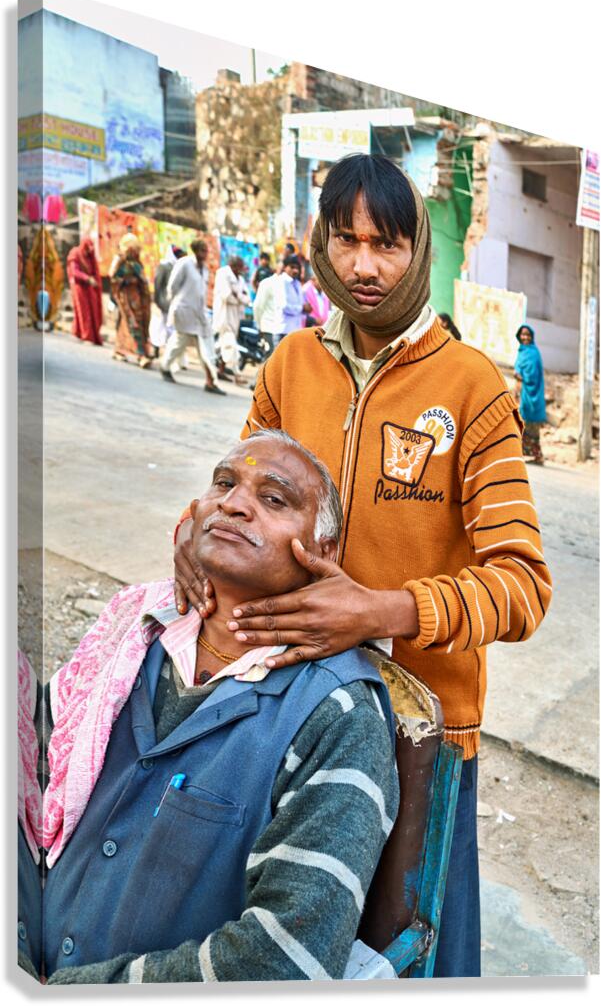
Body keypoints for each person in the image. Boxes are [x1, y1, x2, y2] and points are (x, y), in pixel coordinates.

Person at [174, 153, 552, 979]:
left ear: (418, 250)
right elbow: (238, 483)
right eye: (346, 241)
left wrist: (378, 611)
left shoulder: (471, 389)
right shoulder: (289, 367)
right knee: (275, 937)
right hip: (278, 705)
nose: (364, 267)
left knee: (402, 952)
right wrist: (194, 528)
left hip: (418, 734)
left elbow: (522, 585)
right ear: (322, 243)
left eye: (386, 244)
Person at [38, 430, 398, 984]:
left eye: (273, 499)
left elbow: (284, 962)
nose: (233, 503)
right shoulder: (132, 634)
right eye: (224, 483)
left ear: (323, 553)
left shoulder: (337, 714)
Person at [160, 240, 225, 395]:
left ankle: (210, 379)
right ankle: (209, 380)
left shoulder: (205, 270)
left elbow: (201, 292)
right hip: (183, 310)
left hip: (198, 313)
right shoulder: (185, 263)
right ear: (196, 250)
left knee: (201, 344)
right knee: (185, 341)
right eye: (203, 250)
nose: (205, 254)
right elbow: (173, 286)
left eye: (206, 251)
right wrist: (174, 304)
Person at [109, 233, 153, 369]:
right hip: (125, 296)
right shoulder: (120, 261)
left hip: (138, 297)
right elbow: (112, 276)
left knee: (131, 323)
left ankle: (120, 349)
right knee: (133, 322)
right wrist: (126, 280)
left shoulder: (137, 263)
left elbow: (143, 279)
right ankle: (141, 355)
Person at [213, 257, 250, 386]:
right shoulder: (223, 274)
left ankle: (221, 370)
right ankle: (237, 374)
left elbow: (247, 298)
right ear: (233, 266)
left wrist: (238, 295)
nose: (241, 269)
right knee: (230, 345)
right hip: (224, 316)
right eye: (240, 266)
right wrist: (238, 297)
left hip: (235, 317)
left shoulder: (240, 279)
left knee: (226, 344)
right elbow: (227, 296)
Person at [514, 324, 546, 465]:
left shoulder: (533, 353)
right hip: (522, 393)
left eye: (527, 335)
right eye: (522, 335)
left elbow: (533, 374)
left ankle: (537, 456)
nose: (525, 337)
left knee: (531, 426)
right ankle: (524, 454)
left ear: (532, 337)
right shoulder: (522, 351)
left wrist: (522, 377)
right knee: (522, 424)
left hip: (532, 394)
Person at [66, 238, 103, 346]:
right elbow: (74, 271)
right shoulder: (75, 253)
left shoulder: (90, 255)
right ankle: (87, 336)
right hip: (79, 286)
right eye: (87, 249)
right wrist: (87, 278)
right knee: (84, 312)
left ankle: (88, 334)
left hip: (90, 287)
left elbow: (95, 270)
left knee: (93, 311)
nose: (88, 252)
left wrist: (96, 283)